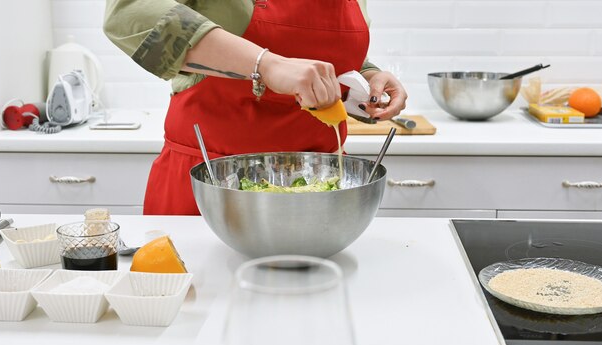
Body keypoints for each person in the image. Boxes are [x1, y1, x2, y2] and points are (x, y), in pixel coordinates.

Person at [104, 0, 407, 215]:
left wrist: (365, 76)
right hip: (209, 184)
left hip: (319, 193)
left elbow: (313, 50)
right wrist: (264, 64)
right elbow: (127, 12)